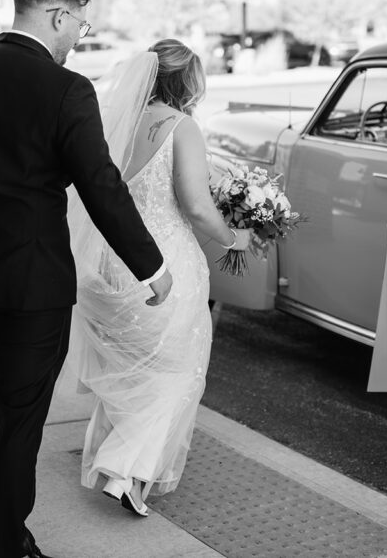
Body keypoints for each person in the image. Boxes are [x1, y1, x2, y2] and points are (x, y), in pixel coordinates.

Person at [0, 0, 173, 558]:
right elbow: (100, 184)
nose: (82, 32)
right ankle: (5, 545)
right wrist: (150, 266)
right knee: (20, 412)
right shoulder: (66, 89)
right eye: (81, 20)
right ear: (57, 15)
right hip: (31, 281)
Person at [66, 38, 251, 517]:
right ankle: (124, 469)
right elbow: (194, 204)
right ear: (187, 81)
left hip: (108, 262)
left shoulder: (115, 123)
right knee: (176, 370)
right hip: (160, 265)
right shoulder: (181, 127)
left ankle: (119, 459)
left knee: (129, 367)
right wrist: (235, 239)